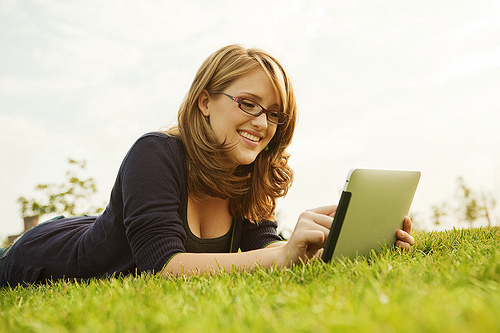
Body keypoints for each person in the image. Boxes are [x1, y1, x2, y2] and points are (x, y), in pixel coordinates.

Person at [0, 44, 414, 288]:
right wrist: (282, 256)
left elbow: (263, 246)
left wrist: (318, 247)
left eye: (273, 114)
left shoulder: (251, 169)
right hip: (43, 254)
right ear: (204, 102)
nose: (261, 123)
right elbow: (162, 267)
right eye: (248, 104)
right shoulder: (155, 152)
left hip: (100, 223)